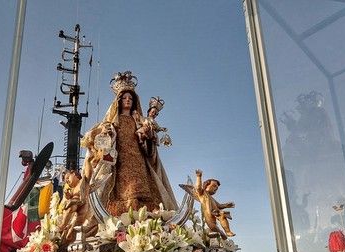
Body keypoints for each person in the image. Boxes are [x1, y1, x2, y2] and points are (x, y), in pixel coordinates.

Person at [80, 71, 177, 216]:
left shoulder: (138, 120)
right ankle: (124, 219)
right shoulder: (113, 121)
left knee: (142, 190)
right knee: (125, 190)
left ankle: (145, 218)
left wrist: (147, 135)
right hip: (121, 160)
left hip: (138, 159)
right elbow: (100, 139)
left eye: (130, 98)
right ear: (118, 100)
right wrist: (107, 132)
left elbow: (149, 146)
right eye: (124, 98)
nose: (127, 100)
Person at [194, 169, 235, 238]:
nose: (216, 188)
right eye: (214, 186)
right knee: (213, 227)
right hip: (209, 214)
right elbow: (198, 187)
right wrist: (199, 177)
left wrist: (226, 205)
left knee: (222, 215)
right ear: (206, 185)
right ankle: (221, 233)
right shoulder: (202, 194)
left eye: (217, 187)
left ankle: (227, 231)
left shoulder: (212, 198)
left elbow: (219, 205)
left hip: (215, 212)